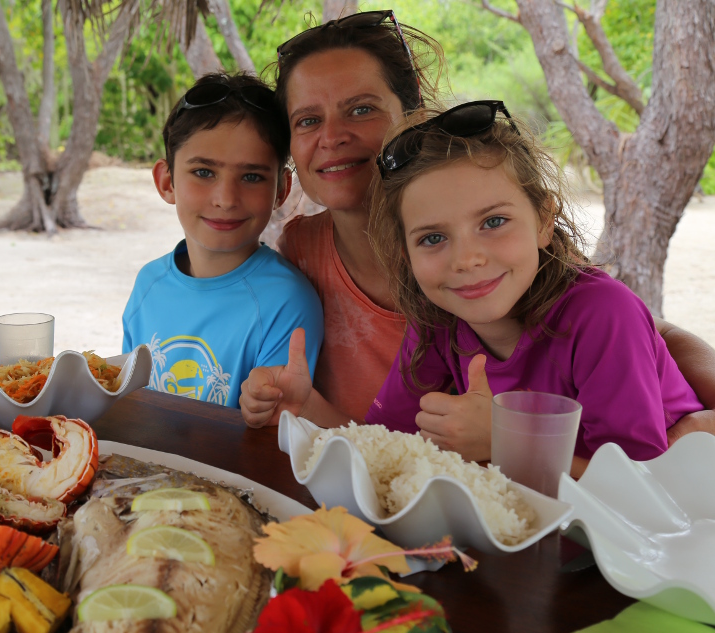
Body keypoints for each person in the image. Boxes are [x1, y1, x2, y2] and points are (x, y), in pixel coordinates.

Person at [238, 11, 715, 443]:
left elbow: (642, 336)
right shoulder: (322, 259)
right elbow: (391, 448)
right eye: (307, 120)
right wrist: (308, 408)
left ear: (414, 116)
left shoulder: (528, 270)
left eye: (361, 108)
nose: (333, 136)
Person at [362, 102, 701, 473]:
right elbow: (382, 444)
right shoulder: (437, 318)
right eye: (432, 238)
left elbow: (641, 492)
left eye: (493, 221)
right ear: (405, 254)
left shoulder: (603, 314)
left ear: (543, 221)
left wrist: (506, 441)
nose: (466, 260)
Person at [122, 73, 324, 409]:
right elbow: (128, 399)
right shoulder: (148, 284)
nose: (226, 199)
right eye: (203, 172)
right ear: (167, 182)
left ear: (282, 190)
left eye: (251, 177)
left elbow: (270, 431)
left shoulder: (285, 302)